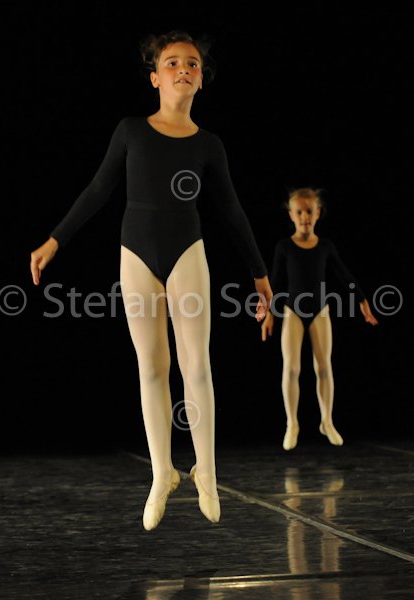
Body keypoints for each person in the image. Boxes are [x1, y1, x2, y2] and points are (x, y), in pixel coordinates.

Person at [30, 30, 273, 530]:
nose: (184, 68)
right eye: (173, 62)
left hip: (187, 253)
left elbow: (231, 210)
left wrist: (259, 273)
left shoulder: (209, 145)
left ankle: (206, 471)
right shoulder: (131, 131)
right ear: (155, 78)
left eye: (193, 63)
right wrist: (55, 240)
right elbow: (98, 189)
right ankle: (163, 472)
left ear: (201, 80)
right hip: (136, 255)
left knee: (196, 365)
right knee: (152, 367)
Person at [260, 187, 377, 451]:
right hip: (292, 311)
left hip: (320, 311)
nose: (304, 217)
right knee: (291, 368)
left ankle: (327, 421)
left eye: (309, 211)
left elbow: (343, 274)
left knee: (324, 367)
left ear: (318, 213)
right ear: (291, 215)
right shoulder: (284, 247)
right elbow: (276, 282)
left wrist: (361, 300)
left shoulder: (325, 246)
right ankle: (292, 423)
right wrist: (269, 313)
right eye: (299, 212)